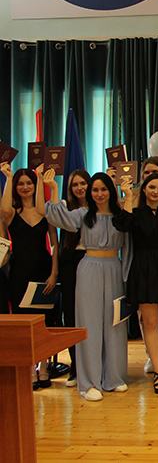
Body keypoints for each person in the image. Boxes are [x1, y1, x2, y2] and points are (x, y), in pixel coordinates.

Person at [43, 169, 131, 402]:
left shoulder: (120, 216)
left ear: (110, 191)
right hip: (89, 268)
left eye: (103, 189)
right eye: (95, 190)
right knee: (89, 323)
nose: (99, 194)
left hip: (114, 268)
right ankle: (89, 382)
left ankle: (113, 377)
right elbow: (57, 217)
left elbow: (129, 246)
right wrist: (54, 189)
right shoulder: (83, 214)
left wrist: (126, 276)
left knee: (114, 323)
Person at [112, 173, 158, 393]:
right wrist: (127, 197)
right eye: (152, 187)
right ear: (143, 189)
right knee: (150, 323)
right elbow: (123, 224)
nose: (156, 192)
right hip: (144, 269)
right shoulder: (136, 213)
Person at [1, 164, 58, 389]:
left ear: (35, 186)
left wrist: (54, 273)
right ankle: (29, 369)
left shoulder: (44, 213)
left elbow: (54, 244)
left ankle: (43, 368)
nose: (25, 187)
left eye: (29, 183)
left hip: (43, 272)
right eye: (21, 184)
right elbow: (4, 208)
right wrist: (8, 177)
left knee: (44, 322)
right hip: (19, 274)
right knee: (23, 323)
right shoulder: (11, 214)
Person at [56, 168, 90, 388]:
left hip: (93, 261)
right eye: (75, 185)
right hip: (70, 263)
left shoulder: (98, 207)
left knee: (90, 316)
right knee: (71, 316)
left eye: (83, 183)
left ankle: (93, 366)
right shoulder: (66, 209)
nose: (79, 188)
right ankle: (75, 368)